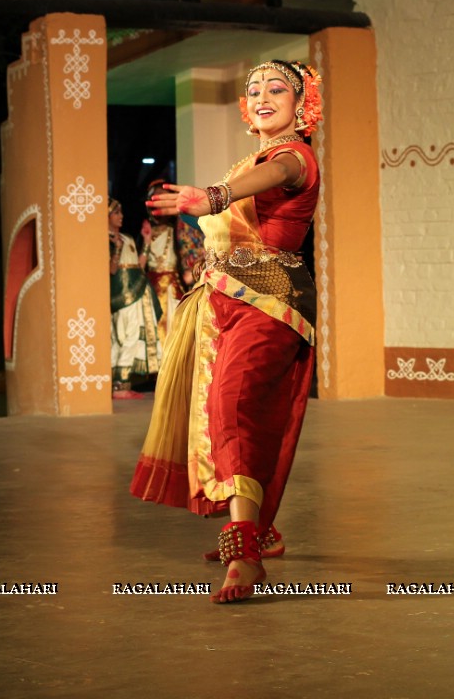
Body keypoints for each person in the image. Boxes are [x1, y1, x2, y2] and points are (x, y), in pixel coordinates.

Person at [129, 59, 323, 603]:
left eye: (277, 88)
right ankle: (258, 528)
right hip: (224, 300)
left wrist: (211, 197)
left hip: (272, 301)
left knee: (234, 402)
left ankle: (246, 556)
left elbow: (276, 177)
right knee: (222, 410)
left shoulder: (293, 156)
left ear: (300, 103)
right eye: (254, 88)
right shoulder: (250, 158)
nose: (262, 96)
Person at [108, 198, 162, 399]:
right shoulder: (104, 238)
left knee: (131, 335)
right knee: (120, 336)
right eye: (116, 213)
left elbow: (139, 266)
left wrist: (146, 242)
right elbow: (111, 270)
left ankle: (121, 383)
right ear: (107, 216)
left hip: (136, 290)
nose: (121, 217)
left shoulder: (127, 237)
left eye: (121, 213)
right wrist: (117, 248)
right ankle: (118, 384)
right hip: (121, 294)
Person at [140, 179, 183, 339]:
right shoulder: (146, 233)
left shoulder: (179, 230)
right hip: (151, 288)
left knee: (173, 330)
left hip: (172, 288)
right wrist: (146, 240)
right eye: (157, 200)